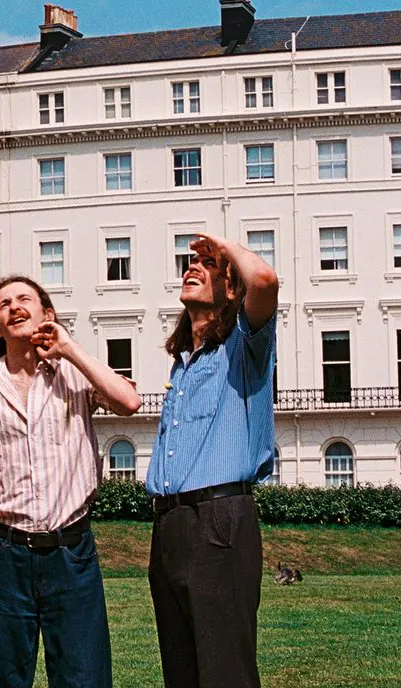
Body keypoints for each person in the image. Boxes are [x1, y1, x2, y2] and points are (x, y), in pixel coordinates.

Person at [0, 275, 142, 688]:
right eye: (4, 304)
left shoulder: (74, 377)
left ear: (47, 315)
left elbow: (129, 401)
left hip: (72, 553)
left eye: (25, 299)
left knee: (83, 678)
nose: (15, 306)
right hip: (6, 556)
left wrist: (68, 348)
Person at [145, 234, 279, 688]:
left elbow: (264, 279)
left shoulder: (244, 349)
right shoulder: (182, 364)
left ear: (230, 289)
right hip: (169, 525)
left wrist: (224, 247)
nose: (193, 266)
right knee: (181, 673)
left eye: (208, 265)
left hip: (220, 521)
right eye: (190, 261)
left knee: (225, 673)